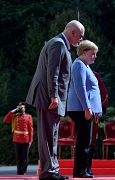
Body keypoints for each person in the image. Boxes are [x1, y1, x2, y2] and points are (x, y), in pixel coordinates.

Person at [25, 20, 85, 180]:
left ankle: (52, 170)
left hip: (51, 97)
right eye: (80, 36)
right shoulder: (58, 44)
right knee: (48, 135)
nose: (80, 40)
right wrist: (54, 96)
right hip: (49, 97)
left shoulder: (59, 44)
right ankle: (48, 172)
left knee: (51, 135)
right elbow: (53, 72)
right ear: (72, 32)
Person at [67, 40, 102, 178]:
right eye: (92, 54)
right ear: (84, 52)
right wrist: (87, 108)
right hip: (81, 109)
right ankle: (81, 171)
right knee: (83, 142)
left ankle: (84, 169)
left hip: (85, 109)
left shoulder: (84, 66)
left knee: (86, 141)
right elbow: (80, 88)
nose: (95, 56)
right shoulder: (79, 65)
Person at [3, 102, 33, 175]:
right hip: (17, 139)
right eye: (20, 108)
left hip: (26, 139)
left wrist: (30, 140)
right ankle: (19, 172)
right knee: (18, 157)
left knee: (25, 157)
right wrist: (13, 111)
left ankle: (24, 171)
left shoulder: (28, 116)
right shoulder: (14, 116)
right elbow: (5, 120)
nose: (21, 109)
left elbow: (31, 129)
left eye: (22, 108)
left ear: (25, 108)